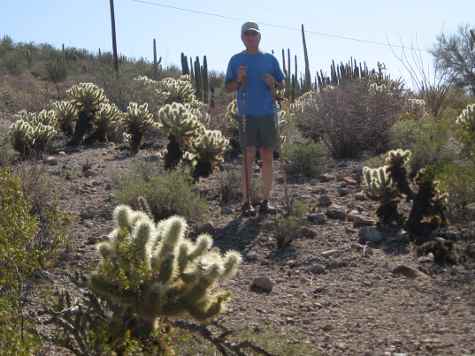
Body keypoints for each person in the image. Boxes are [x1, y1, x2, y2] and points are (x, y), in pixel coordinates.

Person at [224, 21, 285, 216]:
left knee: (267, 156)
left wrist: (273, 82)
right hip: (246, 114)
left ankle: (266, 201)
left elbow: (282, 85)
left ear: (259, 37)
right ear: (242, 37)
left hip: (267, 113)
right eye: (247, 34)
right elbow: (228, 88)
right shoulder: (235, 60)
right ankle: (246, 201)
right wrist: (239, 79)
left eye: (254, 34)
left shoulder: (270, 59)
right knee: (248, 157)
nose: (251, 37)